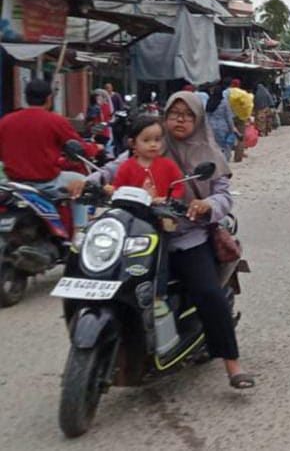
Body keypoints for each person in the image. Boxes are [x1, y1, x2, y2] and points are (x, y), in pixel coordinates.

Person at [71, 92, 254, 390]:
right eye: (174, 114)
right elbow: (114, 169)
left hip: (186, 236)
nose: (180, 120)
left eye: (187, 114)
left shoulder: (209, 153)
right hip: (140, 233)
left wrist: (207, 205)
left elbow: (223, 194)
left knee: (209, 293)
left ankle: (232, 364)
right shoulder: (153, 143)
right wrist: (87, 183)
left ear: (198, 119)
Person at [108, 116, 184, 332]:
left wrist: (166, 199)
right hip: (132, 223)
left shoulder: (167, 166)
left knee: (159, 258)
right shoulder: (126, 167)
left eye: (158, 139)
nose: (153, 145)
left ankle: (158, 296)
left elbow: (178, 188)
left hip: (159, 223)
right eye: (147, 140)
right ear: (133, 143)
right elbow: (117, 189)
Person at [0, 79, 88, 235]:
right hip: (47, 183)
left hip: (13, 184)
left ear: (26, 97)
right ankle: (80, 232)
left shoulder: (5, 121)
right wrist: (96, 148)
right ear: (49, 98)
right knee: (83, 183)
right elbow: (80, 147)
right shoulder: (56, 120)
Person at [206, 86, 238, 161]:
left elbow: (206, 116)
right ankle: (224, 160)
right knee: (224, 145)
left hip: (211, 126)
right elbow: (228, 117)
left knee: (214, 145)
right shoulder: (224, 102)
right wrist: (232, 128)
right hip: (223, 127)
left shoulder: (209, 101)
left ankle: (215, 159)